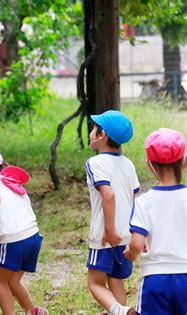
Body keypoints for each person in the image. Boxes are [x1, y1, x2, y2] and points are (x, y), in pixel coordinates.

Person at [124, 128, 187, 315]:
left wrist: (129, 253)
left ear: (149, 164)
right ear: (184, 162)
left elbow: (136, 245)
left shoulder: (143, 202)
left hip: (156, 279)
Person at [85, 110, 139, 315]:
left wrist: (109, 230)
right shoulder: (128, 164)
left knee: (95, 283)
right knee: (116, 280)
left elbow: (108, 195)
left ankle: (119, 310)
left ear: (102, 135)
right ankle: (123, 310)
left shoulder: (95, 163)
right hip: (126, 234)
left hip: (104, 235)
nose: (91, 132)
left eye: (94, 128)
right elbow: (136, 200)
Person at [0, 151, 48, 315]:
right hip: (33, 236)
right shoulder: (12, 181)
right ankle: (34, 311)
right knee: (12, 280)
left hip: (14, 239)